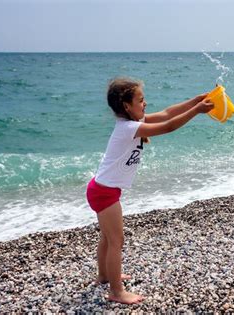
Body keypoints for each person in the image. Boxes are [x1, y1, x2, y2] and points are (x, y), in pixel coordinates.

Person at [86, 77, 214, 305]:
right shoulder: (129, 128)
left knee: (107, 237)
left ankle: (105, 275)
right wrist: (197, 111)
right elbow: (168, 126)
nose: (145, 104)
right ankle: (117, 291)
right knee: (117, 241)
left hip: (102, 189)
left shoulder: (132, 123)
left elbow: (166, 114)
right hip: (104, 193)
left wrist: (193, 101)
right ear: (126, 106)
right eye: (141, 100)